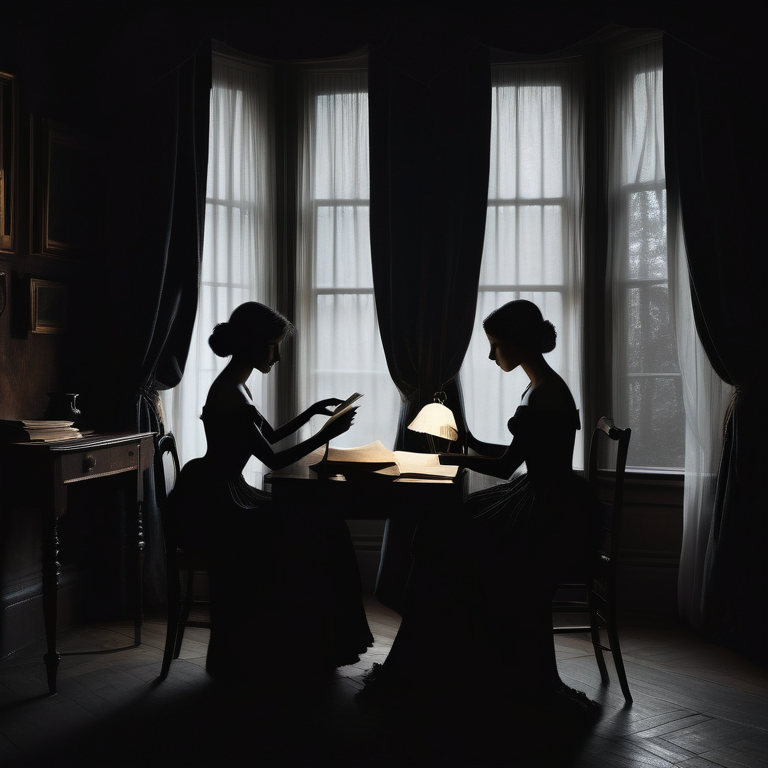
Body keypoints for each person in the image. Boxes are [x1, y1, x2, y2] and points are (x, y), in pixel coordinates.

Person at [359, 300, 601, 720]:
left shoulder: (544, 393)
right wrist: (468, 440)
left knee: (441, 541)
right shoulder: (542, 386)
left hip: (544, 508)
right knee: (443, 534)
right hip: (549, 495)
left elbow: (507, 467)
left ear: (517, 342)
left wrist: (457, 459)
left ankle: (437, 660)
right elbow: (518, 454)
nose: (491, 355)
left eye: (495, 345)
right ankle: (452, 657)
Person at [167, 302, 373, 681]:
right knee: (318, 527)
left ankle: (302, 642)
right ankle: (303, 642)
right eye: (274, 345)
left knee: (319, 523)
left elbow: (271, 438)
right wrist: (325, 435)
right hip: (218, 500)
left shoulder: (236, 385)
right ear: (254, 344)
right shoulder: (232, 392)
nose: (277, 355)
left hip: (221, 487)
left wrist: (311, 413)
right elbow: (275, 461)